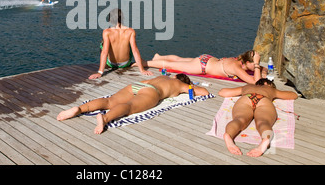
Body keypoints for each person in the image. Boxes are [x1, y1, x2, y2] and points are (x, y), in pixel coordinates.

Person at [57, 74, 210, 134]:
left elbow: (145, 82)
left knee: (109, 101)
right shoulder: (180, 85)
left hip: (137, 85)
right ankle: (105, 118)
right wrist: (191, 87)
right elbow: (204, 92)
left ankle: (79, 109)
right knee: (129, 107)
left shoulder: (162, 76)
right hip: (152, 92)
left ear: (175, 75)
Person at [218, 79, 298, 157]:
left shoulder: (247, 87)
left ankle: (228, 135)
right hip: (263, 99)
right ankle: (265, 139)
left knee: (239, 119)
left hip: (246, 97)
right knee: (263, 122)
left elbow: (222, 92)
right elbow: (293, 95)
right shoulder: (270, 89)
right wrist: (274, 91)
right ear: (266, 83)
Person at [89, 8, 153, 79]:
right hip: (125, 63)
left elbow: (104, 52)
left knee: (102, 44)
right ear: (122, 18)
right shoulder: (130, 31)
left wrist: (100, 72)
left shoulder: (107, 32)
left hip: (111, 64)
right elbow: (135, 50)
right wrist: (142, 70)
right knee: (132, 46)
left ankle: (106, 66)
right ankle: (139, 63)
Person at [137, 50, 267, 84]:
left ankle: (158, 57)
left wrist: (261, 69)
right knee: (173, 65)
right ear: (249, 62)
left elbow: (263, 70)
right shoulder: (237, 68)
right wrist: (257, 66)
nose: (257, 65)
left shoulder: (239, 60)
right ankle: (145, 63)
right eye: (255, 62)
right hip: (202, 66)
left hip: (207, 59)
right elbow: (256, 82)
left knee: (179, 60)